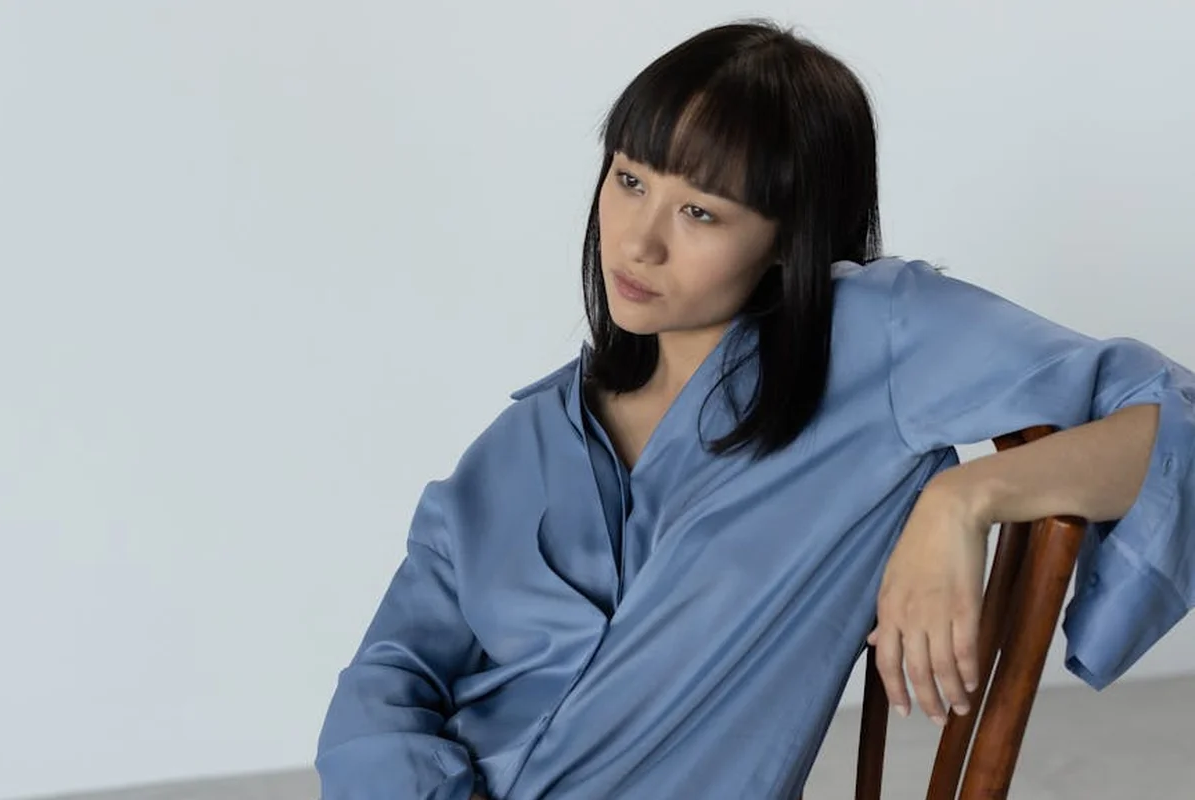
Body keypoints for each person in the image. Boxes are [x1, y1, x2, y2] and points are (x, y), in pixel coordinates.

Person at [315, 19, 1195, 800]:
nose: (639, 240)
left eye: (700, 210)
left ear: (789, 238)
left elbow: (1172, 420)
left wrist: (962, 500)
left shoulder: (872, 342)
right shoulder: (526, 436)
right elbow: (387, 675)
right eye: (629, 180)